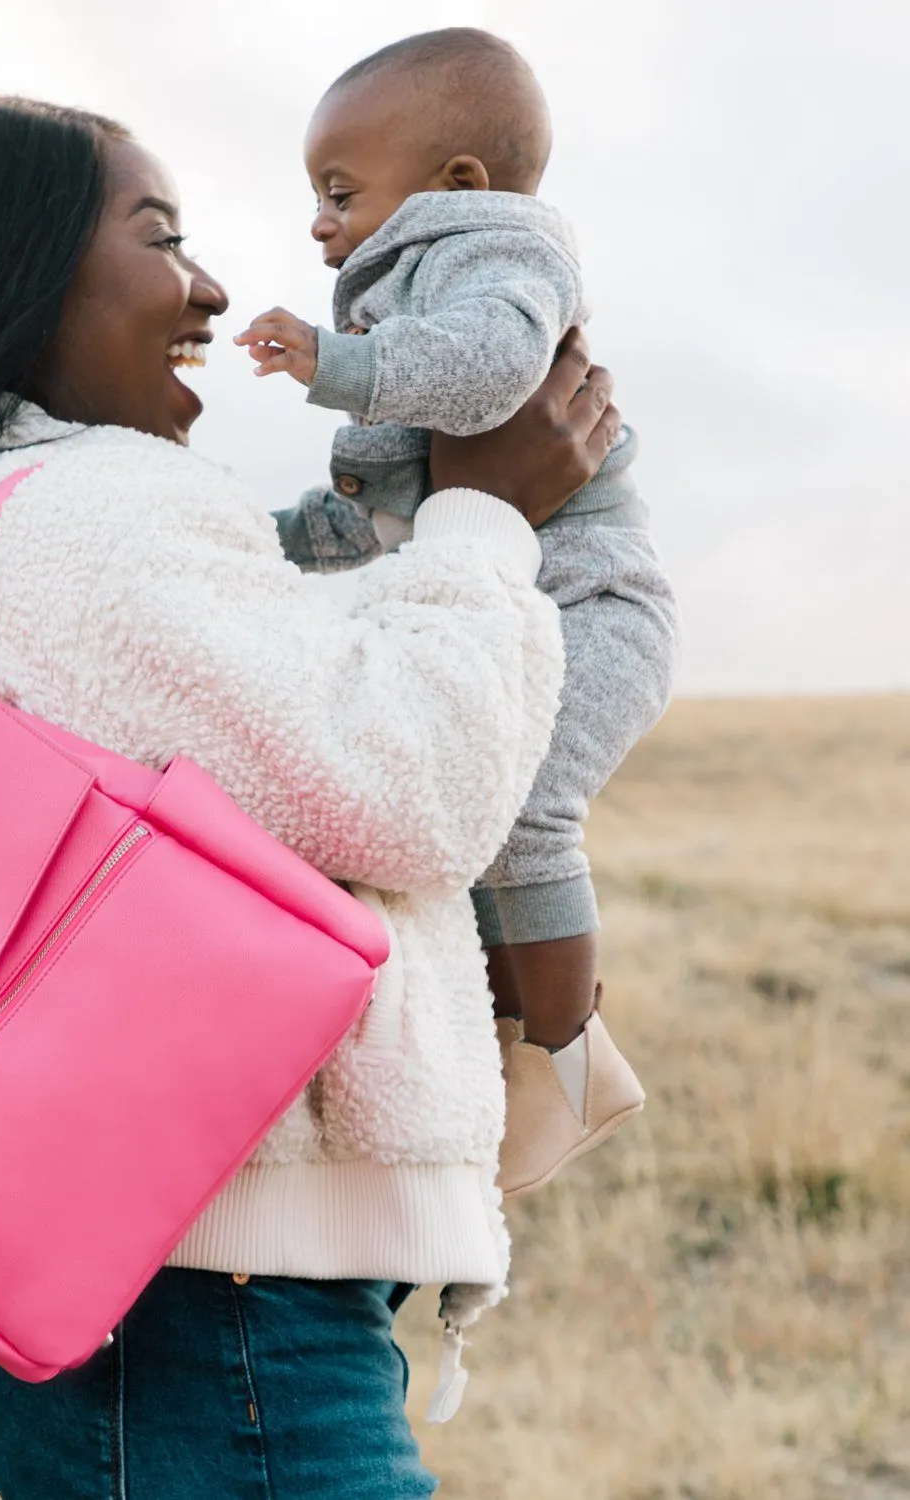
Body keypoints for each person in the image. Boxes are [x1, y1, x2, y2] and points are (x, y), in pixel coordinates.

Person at [0, 96, 621, 1498]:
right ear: (14, 280)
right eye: (161, 238)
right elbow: (416, 789)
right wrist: (485, 518)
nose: (210, 285)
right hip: (216, 1305)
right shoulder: (92, 515)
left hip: (143, 1286)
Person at [237, 28, 678, 1198]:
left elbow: (487, 375)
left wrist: (333, 360)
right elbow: (399, 509)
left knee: (524, 808)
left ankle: (569, 1061)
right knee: (476, 817)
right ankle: (520, 1047)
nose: (321, 225)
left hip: (592, 602)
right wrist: (264, 541)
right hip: (529, 590)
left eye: (340, 193)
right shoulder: (418, 284)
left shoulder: (497, 261)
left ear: (457, 186)